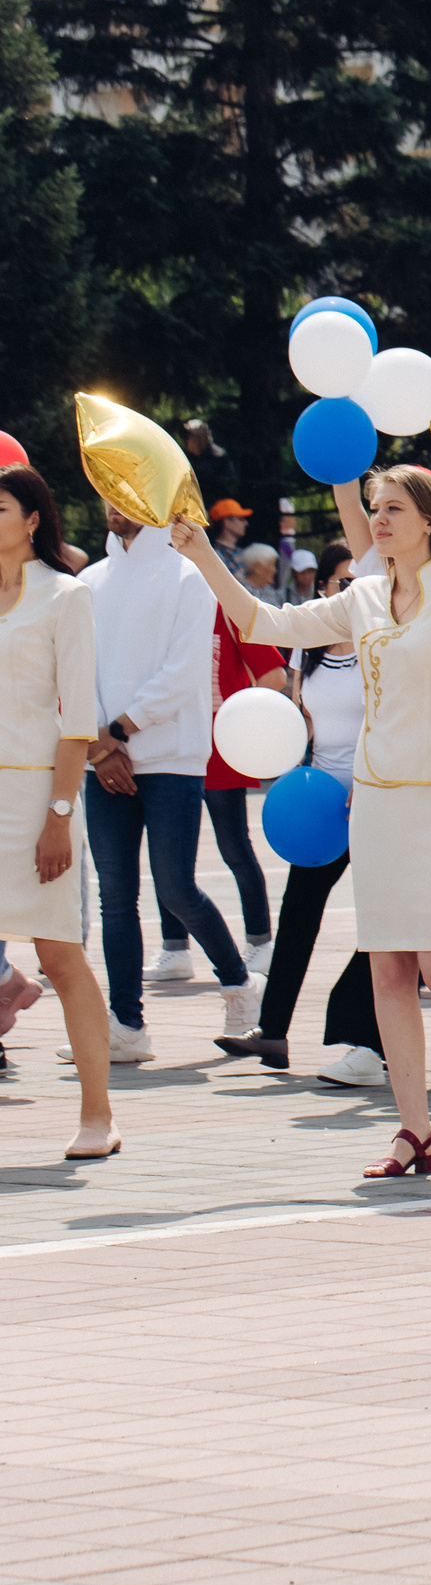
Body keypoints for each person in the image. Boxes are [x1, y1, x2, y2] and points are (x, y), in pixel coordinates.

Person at [175, 466, 431, 1177]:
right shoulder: (362, 596)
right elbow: (264, 622)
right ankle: (415, 1132)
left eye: (394, 508)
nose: (379, 519)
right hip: (376, 802)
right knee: (389, 970)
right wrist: (202, 556)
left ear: (429, 520)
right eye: (375, 508)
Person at [80, 502, 263, 1060]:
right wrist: (98, 745)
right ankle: (127, 1024)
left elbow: (184, 672)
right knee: (116, 896)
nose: (112, 504)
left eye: (124, 492)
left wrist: (117, 730)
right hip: (103, 758)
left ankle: (238, 984)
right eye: (105, 492)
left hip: (173, 758)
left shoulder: (189, 574)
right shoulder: (89, 580)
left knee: (176, 888)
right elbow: (73, 669)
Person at [0, 465, 120, 1158]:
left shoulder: (66, 596)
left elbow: (78, 723)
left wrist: (58, 812)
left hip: (36, 795)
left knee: (60, 957)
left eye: (2, 506)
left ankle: (98, 1115)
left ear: (34, 518)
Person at [228, 545, 367, 1073]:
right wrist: (290, 770)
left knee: (380, 920)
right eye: (340, 584)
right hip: (321, 806)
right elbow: (301, 720)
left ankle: (366, 1037)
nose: (349, 593)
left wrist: (370, 780)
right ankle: (273, 1031)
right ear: (323, 590)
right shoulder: (305, 647)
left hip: (375, 797)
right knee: (298, 914)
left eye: (358, 584)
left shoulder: (381, 646)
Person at [192, 607, 285, 980]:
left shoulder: (223, 606)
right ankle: (173, 946)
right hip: (171, 748)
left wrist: (241, 721)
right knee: (170, 856)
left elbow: (274, 675)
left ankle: (260, 941)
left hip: (221, 751)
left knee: (234, 847)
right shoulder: (161, 600)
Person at [207, 497, 253, 578]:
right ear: (227, 522)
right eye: (241, 519)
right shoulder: (216, 555)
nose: (246, 523)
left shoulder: (242, 552)